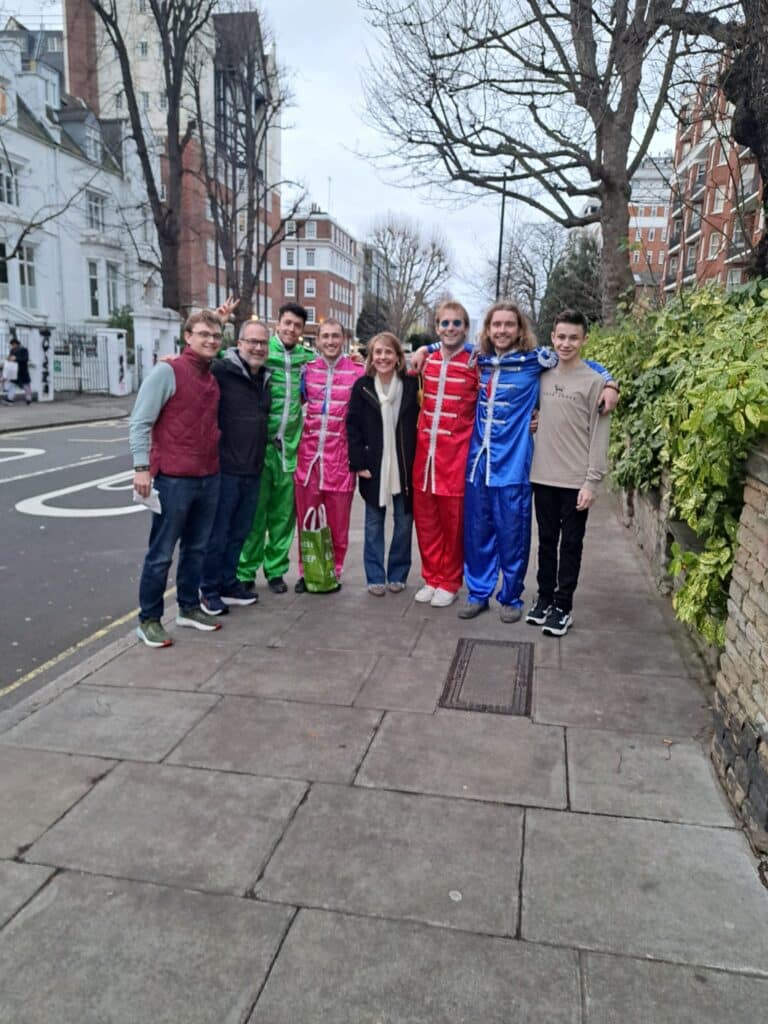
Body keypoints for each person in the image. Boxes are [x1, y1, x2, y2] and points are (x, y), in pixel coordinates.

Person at [457, 300, 616, 622]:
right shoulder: (479, 359)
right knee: (477, 532)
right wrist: (423, 349)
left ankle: (511, 597)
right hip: (478, 462)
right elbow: (443, 344)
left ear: (519, 330)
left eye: (508, 325)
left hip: (514, 465)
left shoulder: (536, 361)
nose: (502, 330)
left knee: (512, 533)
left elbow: (582, 365)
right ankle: (478, 593)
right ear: (488, 329)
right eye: (496, 325)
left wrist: (611, 383)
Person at [130, 309, 224, 648]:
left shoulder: (211, 377)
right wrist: (141, 467)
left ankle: (187, 607)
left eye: (215, 336)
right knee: (161, 552)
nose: (211, 340)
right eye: (203, 334)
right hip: (173, 478)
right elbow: (140, 421)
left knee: (197, 548)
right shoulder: (168, 371)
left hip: (208, 475)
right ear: (188, 337)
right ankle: (149, 619)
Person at [527, 310, 611, 637]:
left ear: (584, 339)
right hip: (543, 476)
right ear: (552, 337)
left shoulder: (596, 383)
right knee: (546, 542)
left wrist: (592, 482)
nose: (566, 343)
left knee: (571, 545)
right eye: (561, 337)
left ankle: (563, 606)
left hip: (576, 481)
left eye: (573, 338)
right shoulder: (542, 377)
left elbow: (599, 435)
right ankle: (545, 597)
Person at [237, 303, 314, 594]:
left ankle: (276, 570)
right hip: (260, 447)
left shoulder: (307, 358)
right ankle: (246, 570)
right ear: (278, 323)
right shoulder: (261, 350)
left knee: (283, 516)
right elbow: (221, 357)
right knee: (255, 514)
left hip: (290, 449)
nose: (291, 329)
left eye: (297, 325)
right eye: (287, 323)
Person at [198, 319, 271, 615]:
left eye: (262, 343)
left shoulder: (264, 376)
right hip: (224, 469)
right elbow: (193, 366)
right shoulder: (221, 372)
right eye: (251, 341)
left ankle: (228, 583)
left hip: (252, 469)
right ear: (239, 343)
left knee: (240, 531)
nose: (257, 347)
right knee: (218, 533)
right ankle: (208, 589)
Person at [412, 300, 479, 607]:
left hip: (455, 459)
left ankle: (450, 580)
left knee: (453, 525)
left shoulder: (477, 361)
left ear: (466, 327)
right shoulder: (426, 360)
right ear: (437, 328)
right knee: (426, 521)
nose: (450, 328)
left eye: (457, 323)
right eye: (444, 323)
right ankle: (431, 576)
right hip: (424, 456)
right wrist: (424, 349)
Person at [294, 318, 365, 593]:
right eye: (325, 336)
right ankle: (306, 572)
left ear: (343, 339)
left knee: (338, 523)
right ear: (318, 339)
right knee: (307, 519)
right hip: (309, 459)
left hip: (341, 460)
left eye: (336, 336)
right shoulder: (307, 371)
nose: (331, 341)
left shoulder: (358, 372)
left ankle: (332, 572)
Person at [346, 331, 419, 595]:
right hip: (373, 466)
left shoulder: (411, 386)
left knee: (403, 525)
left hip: (404, 467)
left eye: (389, 352)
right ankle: (375, 576)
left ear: (398, 357)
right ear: (371, 356)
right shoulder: (362, 386)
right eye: (378, 352)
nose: (383, 357)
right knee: (373, 525)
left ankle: (398, 573)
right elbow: (352, 427)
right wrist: (358, 462)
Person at [3, 335, 32, 405]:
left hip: (22, 371)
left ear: (16, 344)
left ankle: (28, 398)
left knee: (26, 385)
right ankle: (10, 399)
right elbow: (11, 358)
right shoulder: (12, 350)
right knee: (12, 384)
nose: (12, 346)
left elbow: (25, 359)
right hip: (14, 371)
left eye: (12, 345)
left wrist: (16, 358)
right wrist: (9, 358)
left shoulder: (23, 349)